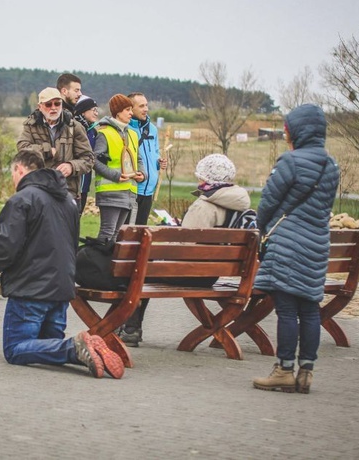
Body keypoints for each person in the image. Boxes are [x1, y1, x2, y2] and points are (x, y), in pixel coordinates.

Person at [0, 150, 124, 379]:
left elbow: (6, 249)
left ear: (19, 170)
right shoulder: (69, 201)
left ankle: (73, 348)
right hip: (62, 289)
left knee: (15, 349)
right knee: (47, 347)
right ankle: (81, 351)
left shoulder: (21, 200)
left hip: (29, 289)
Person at [119, 153, 251, 347]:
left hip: (191, 272)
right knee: (146, 269)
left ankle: (130, 329)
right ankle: (129, 328)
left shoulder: (204, 205)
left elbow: (183, 248)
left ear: (206, 178)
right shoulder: (241, 205)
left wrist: (172, 237)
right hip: (215, 273)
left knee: (139, 270)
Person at [252, 103, 339, 394]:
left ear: (297, 132)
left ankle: (283, 370)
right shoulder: (331, 165)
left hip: (287, 241)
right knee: (310, 309)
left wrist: (261, 228)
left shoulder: (289, 162)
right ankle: (306, 372)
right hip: (317, 243)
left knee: (287, 310)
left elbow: (267, 204)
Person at [17, 87, 93, 203]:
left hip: (67, 192)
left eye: (57, 103)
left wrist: (71, 166)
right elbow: (22, 150)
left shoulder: (75, 127)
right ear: (40, 107)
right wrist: (46, 150)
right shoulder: (30, 126)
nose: (53, 108)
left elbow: (88, 159)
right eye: (48, 104)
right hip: (38, 190)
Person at [93, 94, 146, 242]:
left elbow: (138, 159)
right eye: (127, 110)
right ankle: (98, 264)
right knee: (107, 233)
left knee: (117, 235)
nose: (131, 113)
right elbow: (94, 161)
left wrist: (142, 173)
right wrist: (116, 176)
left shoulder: (134, 135)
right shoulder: (104, 133)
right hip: (110, 193)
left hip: (129, 192)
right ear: (117, 112)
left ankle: (110, 265)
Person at [126, 92, 168, 225]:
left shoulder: (153, 129)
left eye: (146, 105)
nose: (146, 109)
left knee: (140, 233)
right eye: (141, 106)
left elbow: (155, 152)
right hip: (132, 189)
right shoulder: (125, 129)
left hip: (149, 190)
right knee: (126, 233)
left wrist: (159, 162)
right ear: (131, 108)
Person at [73, 95, 100, 214]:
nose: (97, 113)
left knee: (77, 220)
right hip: (72, 185)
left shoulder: (93, 131)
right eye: (93, 110)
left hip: (85, 186)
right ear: (83, 112)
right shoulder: (73, 128)